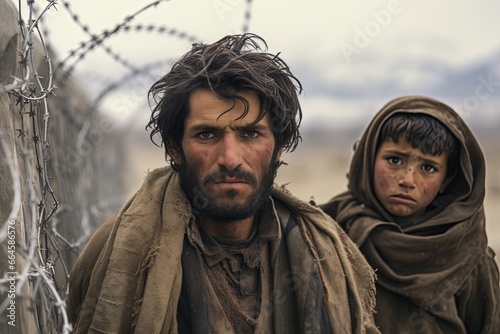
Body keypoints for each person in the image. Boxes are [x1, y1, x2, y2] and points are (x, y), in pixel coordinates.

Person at [67, 33, 379, 334]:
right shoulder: (114, 252)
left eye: (250, 135)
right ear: (175, 147)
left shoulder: (326, 253)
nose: (230, 159)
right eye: (207, 135)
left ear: (279, 147)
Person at [320, 96, 500, 333]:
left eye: (428, 168)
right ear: (368, 159)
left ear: (447, 180)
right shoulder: (329, 233)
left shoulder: (468, 257)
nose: (407, 180)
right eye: (394, 160)